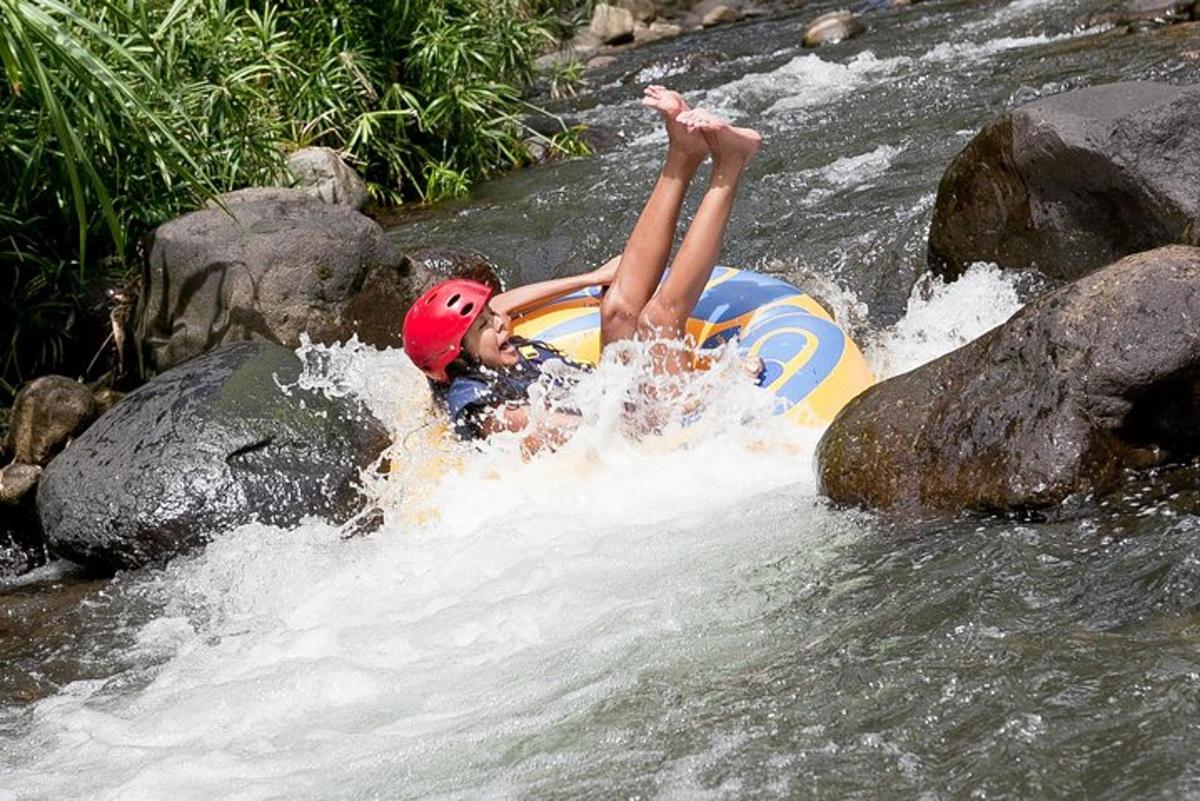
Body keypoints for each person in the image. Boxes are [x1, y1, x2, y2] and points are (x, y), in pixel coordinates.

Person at [403, 86, 762, 453]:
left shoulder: (480, 357)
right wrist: (705, 391)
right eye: (484, 326)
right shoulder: (485, 411)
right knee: (658, 320)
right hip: (639, 442)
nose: (500, 323)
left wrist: (590, 278)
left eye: (490, 317)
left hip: (617, 402)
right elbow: (602, 434)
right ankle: (730, 165)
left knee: (617, 308)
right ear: (456, 357)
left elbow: (505, 302)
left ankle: (684, 154)